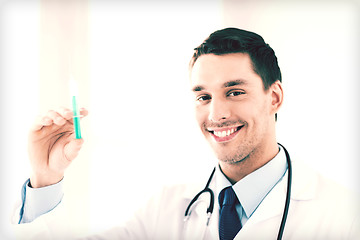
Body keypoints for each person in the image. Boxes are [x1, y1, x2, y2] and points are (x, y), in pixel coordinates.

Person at [12, 28, 359, 239]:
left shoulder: (342, 216)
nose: (216, 114)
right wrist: (45, 179)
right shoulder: (166, 209)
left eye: (234, 91)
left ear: (275, 97)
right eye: (203, 96)